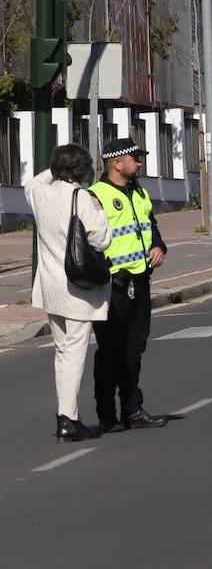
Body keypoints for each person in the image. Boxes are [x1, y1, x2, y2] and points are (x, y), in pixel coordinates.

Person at [26, 144, 113, 442]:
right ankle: (69, 419)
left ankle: (66, 416)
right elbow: (102, 240)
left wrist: (54, 170)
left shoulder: (39, 193)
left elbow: (35, 181)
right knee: (75, 352)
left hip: (51, 287)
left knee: (62, 352)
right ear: (81, 170)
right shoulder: (82, 197)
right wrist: (99, 211)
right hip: (77, 289)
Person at [89, 139, 168, 433]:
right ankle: (107, 414)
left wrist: (160, 247)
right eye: (135, 158)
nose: (140, 162)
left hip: (140, 281)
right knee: (111, 351)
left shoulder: (139, 192)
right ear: (116, 163)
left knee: (134, 351)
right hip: (112, 286)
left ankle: (132, 410)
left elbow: (150, 226)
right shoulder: (94, 196)